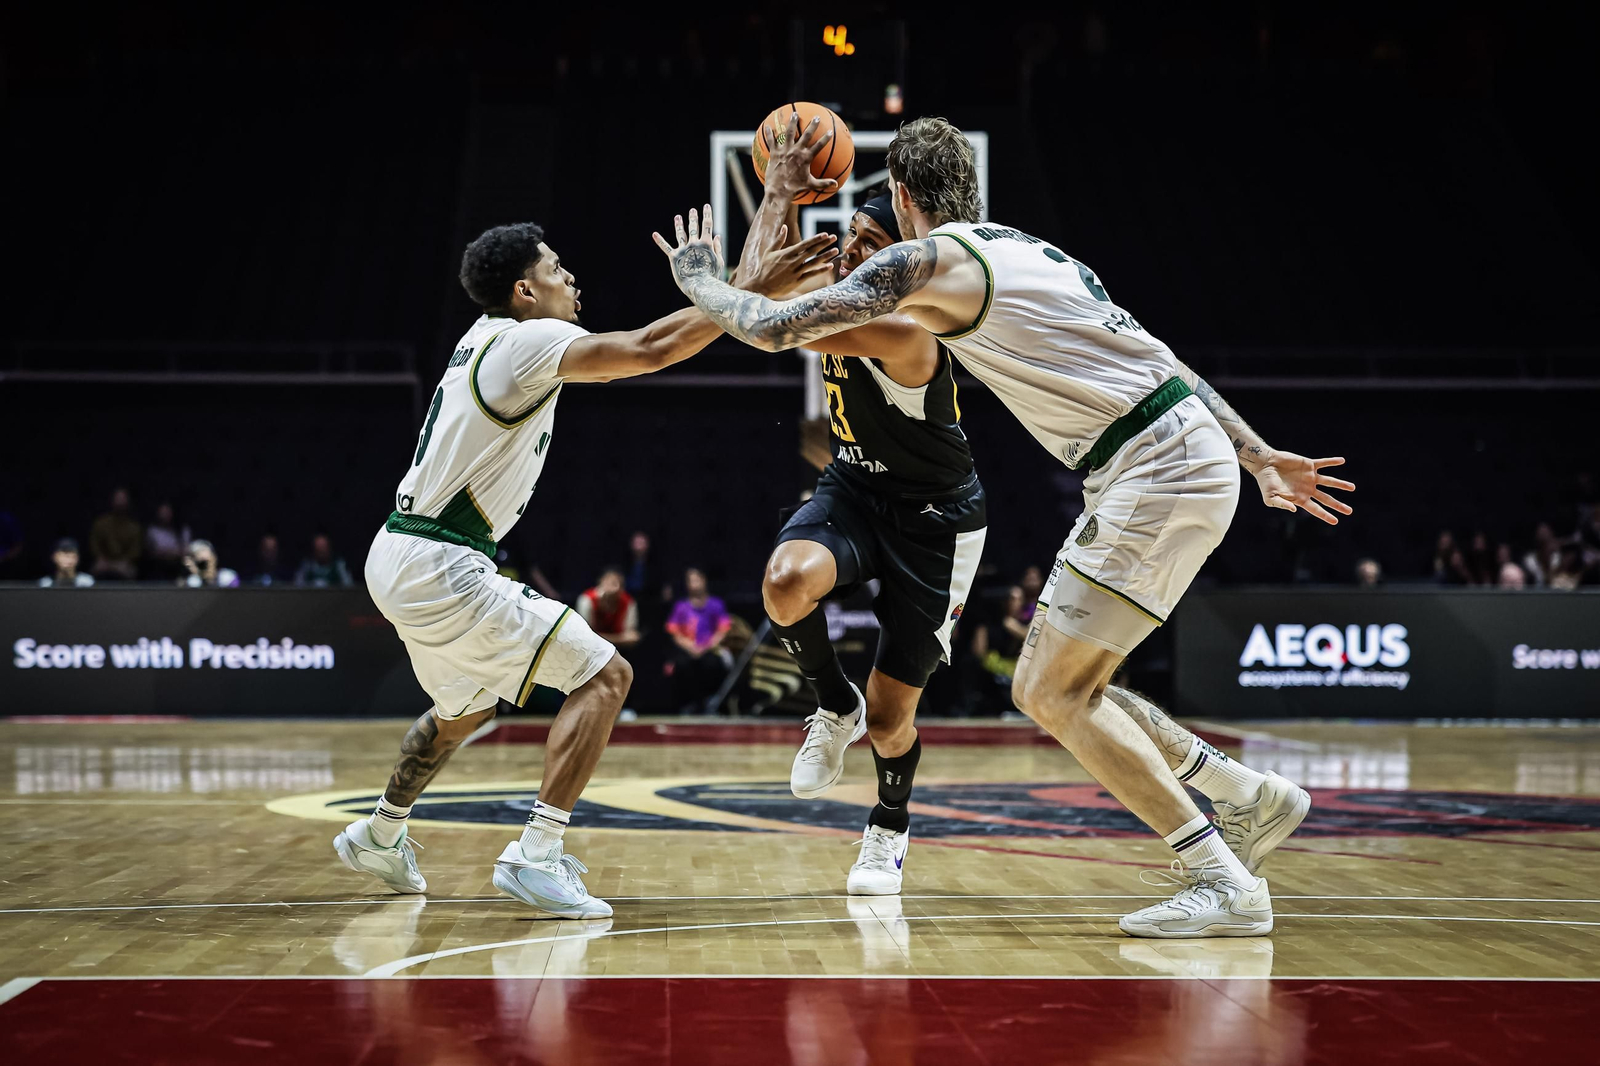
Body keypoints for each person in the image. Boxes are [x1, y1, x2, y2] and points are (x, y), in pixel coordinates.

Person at [659, 115, 1356, 938]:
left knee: (1049, 692)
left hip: (1150, 468)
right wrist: (1254, 453)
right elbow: (1164, 360)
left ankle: (1221, 879)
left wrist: (699, 276)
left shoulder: (927, 263)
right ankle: (1245, 794)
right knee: (1070, 683)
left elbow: (771, 327)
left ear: (903, 196)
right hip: (1181, 454)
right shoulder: (1030, 251)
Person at [336, 219, 828, 918]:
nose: (571, 278)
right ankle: (535, 855)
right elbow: (650, 348)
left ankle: (379, 834)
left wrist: (745, 278)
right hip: (442, 560)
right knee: (606, 676)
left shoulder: (483, 336)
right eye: (556, 268)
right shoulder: (527, 340)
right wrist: (743, 290)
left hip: (399, 551)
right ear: (524, 291)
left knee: (463, 710)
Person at [725, 119, 989, 894]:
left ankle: (888, 825)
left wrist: (751, 268)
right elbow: (755, 290)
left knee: (891, 719)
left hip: (937, 520)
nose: (849, 258)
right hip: (855, 486)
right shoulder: (842, 299)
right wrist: (777, 194)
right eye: (848, 243)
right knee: (784, 582)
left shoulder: (904, 329)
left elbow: (752, 314)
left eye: (871, 247)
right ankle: (829, 702)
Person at [665, 567, 734, 713]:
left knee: (712, 664)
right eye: (691, 581)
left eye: (697, 580)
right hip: (688, 650)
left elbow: (723, 630)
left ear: (704, 580)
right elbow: (675, 633)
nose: (694, 584)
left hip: (710, 650)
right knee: (682, 665)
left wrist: (706, 647)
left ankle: (711, 704)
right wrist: (691, 647)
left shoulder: (716, 604)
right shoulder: (681, 606)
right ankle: (688, 704)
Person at [576, 568, 641, 648]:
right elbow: (585, 636)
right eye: (607, 583)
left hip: (619, 649)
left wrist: (601, 638)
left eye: (614, 584)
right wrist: (619, 639)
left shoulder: (628, 602)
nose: (610, 588)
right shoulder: (587, 600)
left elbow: (631, 637)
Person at [89, 487, 141, 581]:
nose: (120, 502)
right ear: (112, 500)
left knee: (131, 571)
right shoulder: (101, 523)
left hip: (124, 563)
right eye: (118, 498)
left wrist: (123, 562)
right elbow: (95, 546)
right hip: (104, 561)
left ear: (128, 502)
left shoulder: (134, 527)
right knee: (96, 568)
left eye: (122, 499)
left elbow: (135, 551)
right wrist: (102, 559)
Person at [144, 502, 190, 582]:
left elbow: (186, 551)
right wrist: (172, 553)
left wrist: (168, 552)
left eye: (168, 512)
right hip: (159, 568)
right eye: (163, 513)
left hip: (179, 567)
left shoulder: (182, 530)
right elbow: (153, 552)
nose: (165, 515)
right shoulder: (153, 530)